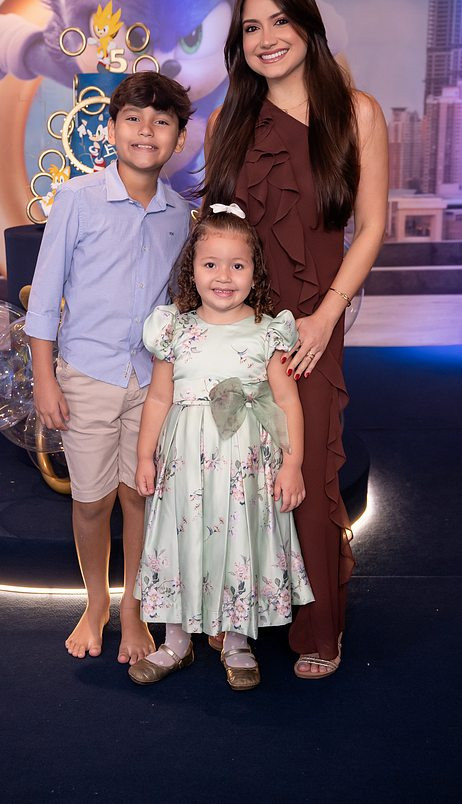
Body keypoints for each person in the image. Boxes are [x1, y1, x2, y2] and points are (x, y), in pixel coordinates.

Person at [202, 0, 388, 677]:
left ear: (307, 26)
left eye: (280, 21)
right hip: (234, 327)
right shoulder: (226, 123)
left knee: (304, 472)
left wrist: (325, 317)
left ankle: (319, 627)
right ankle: (241, 616)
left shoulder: (357, 113)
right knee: (236, 474)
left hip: (312, 326)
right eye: (251, 28)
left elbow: (372, 227)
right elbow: (216, 234)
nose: (267, 38)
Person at [24, 72, 194, 665]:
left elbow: (178, 302)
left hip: (152, 384)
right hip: (87, 375)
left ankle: (133, 608)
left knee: (139, 496)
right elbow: (44, 296)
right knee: (92, 500)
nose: (146, 131)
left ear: (178, 137)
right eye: (133, 118)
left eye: (162, 121)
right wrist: (45, 379)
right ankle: (96, 601)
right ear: (112, 127)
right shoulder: (77, 198)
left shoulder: (180, 214)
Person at [128, 206, 314, 691]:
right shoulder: (174, 329)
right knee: (180, 539)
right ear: (192, 268)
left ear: (255, 271)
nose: (224, 277)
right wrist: (145, 456)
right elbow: (159, 398)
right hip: (185, 464)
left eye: (237, 265)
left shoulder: (268, 331)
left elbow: (288, 401)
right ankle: (176, 641)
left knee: (238, 540)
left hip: (244, 467)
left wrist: (293, 463)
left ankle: (236, 642)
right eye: (210, 264)